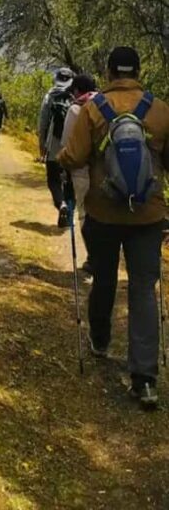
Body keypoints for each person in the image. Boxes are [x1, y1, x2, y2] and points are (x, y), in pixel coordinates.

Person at [58, 46, 169, 408]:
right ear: (138, 71)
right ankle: (145, 379)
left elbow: (72, 157)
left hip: (103, 215)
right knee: (142, 290)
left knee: (104, 279)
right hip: (148, 218)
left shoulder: (93, 109)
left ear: (108, 73)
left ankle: (100, 341)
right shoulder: (159, 109)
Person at [60, 73, 97, 274]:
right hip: (105, 171)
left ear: (76, 90)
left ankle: (93, 257)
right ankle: (106, 255)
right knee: (103, 213)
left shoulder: (75, 109)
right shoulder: (105, 105)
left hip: (81, 171)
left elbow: (67, 144)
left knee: (84, 213)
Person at [39, 67, 74, 227]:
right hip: (72, 147)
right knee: (69, 181)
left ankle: (61, 204)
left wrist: (42, 145)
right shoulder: (75, 96)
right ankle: (69, 214)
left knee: (53, 179)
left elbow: (43, 123)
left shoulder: (50, 96)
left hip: (53, 145)